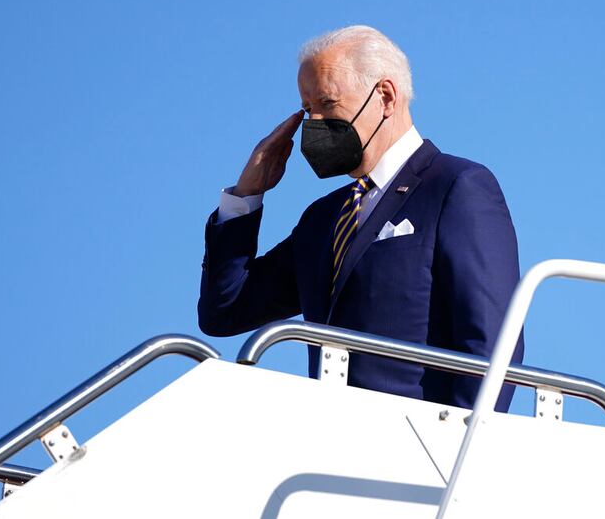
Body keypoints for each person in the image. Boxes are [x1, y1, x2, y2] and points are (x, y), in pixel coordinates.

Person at [198, 25, 524, 411]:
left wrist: (460, 449)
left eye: (327, 103)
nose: (313, 122)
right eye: (307, 110)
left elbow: (491, 341)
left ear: (385, 96)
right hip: (336, 444)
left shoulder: (456, 187)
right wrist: (246, 196)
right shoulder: (323, 219)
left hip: (423, 450)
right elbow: (226, 311)